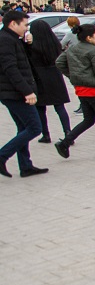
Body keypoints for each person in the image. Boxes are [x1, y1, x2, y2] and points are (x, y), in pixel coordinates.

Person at [54, 23, 95, 159]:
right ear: (89, 37)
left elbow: (59, 62)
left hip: (81, 89)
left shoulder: (72, 48)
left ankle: (64, 143)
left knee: (88, 120)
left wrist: (72, 76)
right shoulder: (94, 50)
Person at [0, 12, 45, 177]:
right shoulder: (5, 40)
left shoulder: (12, 39)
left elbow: (21, 61)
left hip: (13, 92)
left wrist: (27, 44)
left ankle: (26, 166)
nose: (27, 28)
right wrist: (27, 91)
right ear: (13, 23)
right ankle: (2, 155)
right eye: (25, 25)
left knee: (23, 128)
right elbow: (10, 69)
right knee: (34, 128)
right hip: (14, 93)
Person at [27, 20, 71, 145]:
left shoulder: (32, 46)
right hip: (55, 76)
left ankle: (45, 134)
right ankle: (68, 132)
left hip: (39, 77)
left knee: (40, 108)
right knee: (60, 107)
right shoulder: (54, 43)